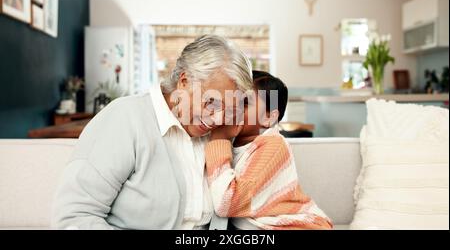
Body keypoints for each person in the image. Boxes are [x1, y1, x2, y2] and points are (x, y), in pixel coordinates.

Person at [51, 35, 254, 230]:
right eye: (212, 102)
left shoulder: (222, 133)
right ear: (184, 81)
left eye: (228, 110)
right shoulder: (125, 118)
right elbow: (75, 216)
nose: (218, 118)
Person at [205, 71, 333, 230]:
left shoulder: (273, 144)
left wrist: (219, 139)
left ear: (268, 118)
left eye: (245, 102)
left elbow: (227, 203)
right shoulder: (230, 143)